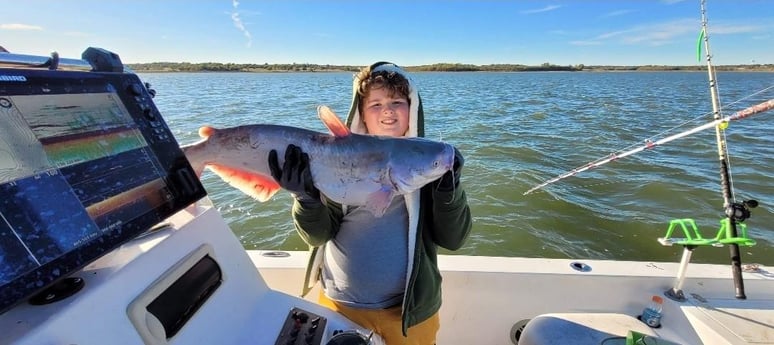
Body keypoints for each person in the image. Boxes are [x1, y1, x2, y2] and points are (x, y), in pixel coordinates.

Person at [268, 61, 472, 344]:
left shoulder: (430, 166)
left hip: (409, 315)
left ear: (412, 109)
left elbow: (454, 239)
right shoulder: (335, 163)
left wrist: (448, 191)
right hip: (340, 304)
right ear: (361, 113)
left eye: (397, 102)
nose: (387, 110)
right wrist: (305, 198)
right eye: (375, 104)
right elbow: (318, 236)